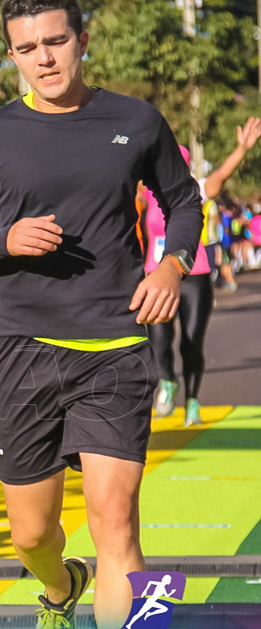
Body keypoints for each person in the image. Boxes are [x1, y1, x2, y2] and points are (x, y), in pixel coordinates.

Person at [0, 0, 202, 629]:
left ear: (82, 39)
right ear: (13, 55)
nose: (45, 59)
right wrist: (6, 239)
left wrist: (171, 266)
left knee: (117, 521)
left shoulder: (135, 120)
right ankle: (60, 587)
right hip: (21, 349)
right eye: (28, 49)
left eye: (56, 42)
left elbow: (184, 199)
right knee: (31, 534)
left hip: (115, 342)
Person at [145, 118, 261, 426]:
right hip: (155, 276)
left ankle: (193, 401)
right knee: (159, 340)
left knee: (191, 341)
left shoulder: (197, 190)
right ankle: (168, 380)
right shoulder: (143, 196)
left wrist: (241, 148)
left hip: (194, 274)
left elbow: (222, 175)